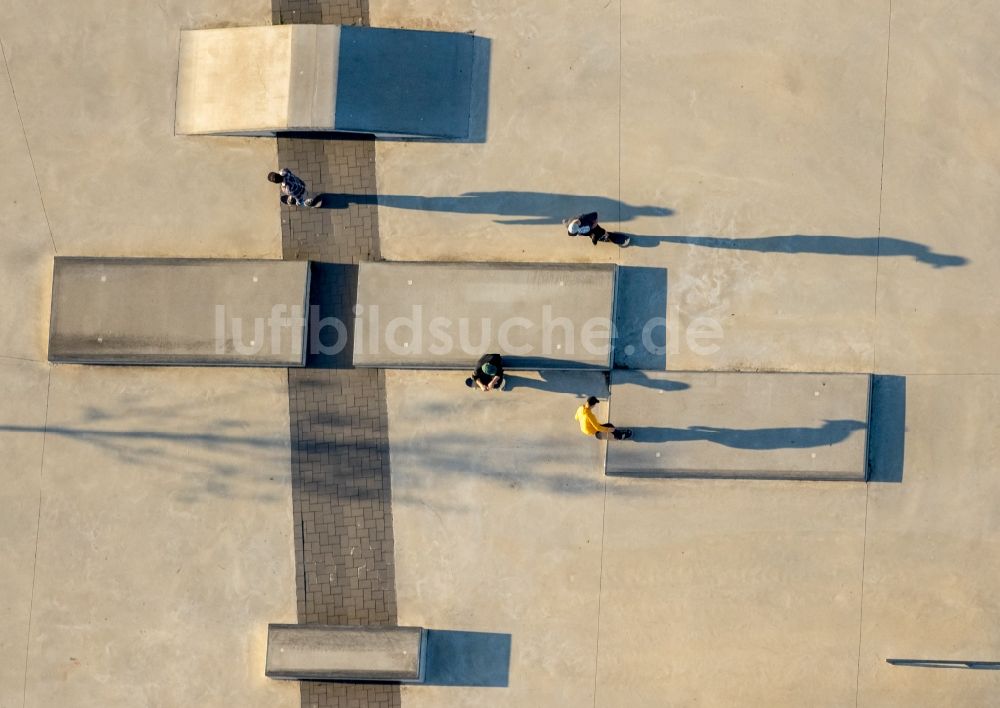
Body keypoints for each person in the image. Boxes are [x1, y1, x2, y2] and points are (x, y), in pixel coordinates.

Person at [565, 211, 630, 247]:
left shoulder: (584, 218)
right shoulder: (569, 224)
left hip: (593, 228)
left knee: (602, 233)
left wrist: (595, 224)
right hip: (586, 232)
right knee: (593, 236)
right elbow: (566, 222)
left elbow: (595, 214)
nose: (577, 234)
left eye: (576, 233)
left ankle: (609, 236)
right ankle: (593, 236)